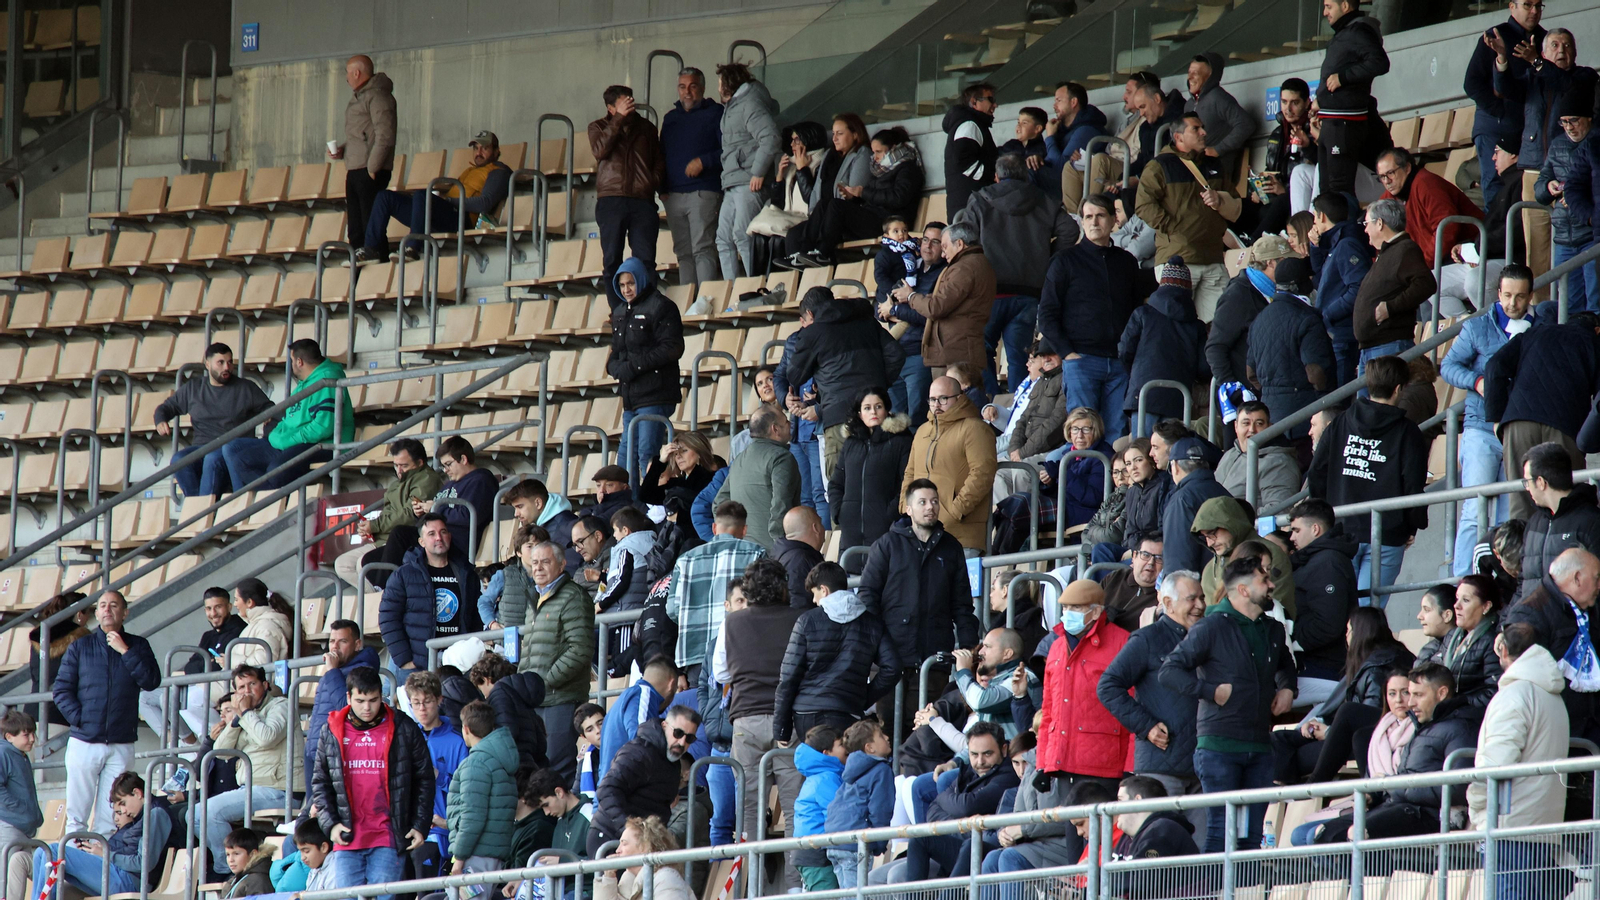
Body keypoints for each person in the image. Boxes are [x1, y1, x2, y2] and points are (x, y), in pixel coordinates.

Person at [1160, 557, 1296, 853]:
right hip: (1219, 748)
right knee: (1221, 834)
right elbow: (1169, 671)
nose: (1272, 585)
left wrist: (1288, 688)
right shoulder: (1210, 627)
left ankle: (1241, 883)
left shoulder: (1272, 629)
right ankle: (1214, 883)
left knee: (1250, 838)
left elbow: (1285, 663)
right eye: (1264, 580)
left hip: (1260, 746)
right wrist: (1209, 691)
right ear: (1244, 590)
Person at [857, 479, 981, 737]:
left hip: (934, 657)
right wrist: (876, 645)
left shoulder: (951, 548)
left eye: (934, 502)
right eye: (922, 502)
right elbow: (868, 597)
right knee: (889, 731)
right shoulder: (886, 545)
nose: (930, 507)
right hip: (891, 658)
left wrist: (969, 646)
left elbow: (962, 605)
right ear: (908, 508)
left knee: (925, 732)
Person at [1309, 664, 1480, 845]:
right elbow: (1406, 775)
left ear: (1442, 693)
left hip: (1433, 816)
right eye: (1410, 694)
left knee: (1354, 834)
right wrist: (1376, 794)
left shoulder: (1461, 728)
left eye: (1418, 695)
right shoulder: (1423, 726)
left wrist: (1398, 788)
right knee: (1324, 833)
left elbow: (1459, 789)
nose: (1410, 702)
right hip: (1401, 805)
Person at [953, 153, 1079, 393]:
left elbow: (965, 239)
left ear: (996, 176)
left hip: (987, 292)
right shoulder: (1043, 199)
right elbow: (1070, 230)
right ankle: (1017, 407)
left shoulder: (980, 200)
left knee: (980, 352)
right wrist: (1048, 260)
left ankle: (990, 405)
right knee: (1020, 358)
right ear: (1026, 175)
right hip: (1028, 293)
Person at [1308, 356, 1429, 600]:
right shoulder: (1408, 432)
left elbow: (1317, 473)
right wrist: (1412, 525)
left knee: (1339, 607)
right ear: (1399, 389)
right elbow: (1413, 485)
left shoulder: (1340, 423)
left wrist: (1325, 518)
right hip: (1387, 534)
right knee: (1367, 613)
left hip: (1341, 530)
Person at [1441, 265, 1535, 574]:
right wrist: (1478, 381)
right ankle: (1463, 582)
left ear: (1530, 296)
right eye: (1507, 295)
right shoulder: (1477, 327)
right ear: (1498, 293)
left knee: (1510, 514)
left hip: (1518, 429)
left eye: (1519, 297)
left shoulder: (1541, 327)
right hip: (1481, 428)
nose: (1512, 303)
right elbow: (1448, 366)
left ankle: (1502, 581)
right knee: (1475, 509)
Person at [1099, 571, 1208, 835]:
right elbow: (1108, 686)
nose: (1200, 605)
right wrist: (1145, 726)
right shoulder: (1147, 639)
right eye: (1192, 599)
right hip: (1161, 765)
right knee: (1161, 845)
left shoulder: (1211, 637)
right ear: (1168, 603)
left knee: (1206, 852)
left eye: (1202, 598)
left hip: (1206, 763)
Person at [1468, 621, 1572, 898]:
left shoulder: (1513, 696)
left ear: (1502, 650)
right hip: (1541, 825)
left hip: (1508, 825)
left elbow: (1494, 766)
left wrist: (1476, 805)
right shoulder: (1552, 696)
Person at [312, 666, 434, 900]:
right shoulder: (332, 730)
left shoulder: (403, 727)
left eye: (373, 700)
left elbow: (424, 779)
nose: (367, 708)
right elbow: (320, 782)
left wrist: (420, 825)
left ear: (381, 696)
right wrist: (331, 825)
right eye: (360, 701)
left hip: (388, 836)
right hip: (347, 837)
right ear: (348, 698)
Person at [1033, 579, 1130, 860]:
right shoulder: (1056, 647)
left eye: (1076, 608)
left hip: (1105, 766)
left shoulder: (1122, 643)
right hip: (1065, 765)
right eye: (1065, 608)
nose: (1068, 614)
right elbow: (1049, 710)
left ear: (1096, 611)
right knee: (1076, 851)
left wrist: (1131, 767)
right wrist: (1043, 764)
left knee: (1106, 849)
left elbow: (1133, 707)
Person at [53, 589, 158, 837]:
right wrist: (80, 720)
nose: (107, 610)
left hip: (121, 741)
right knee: (77, 816)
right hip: (84, 740)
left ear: (125, 613)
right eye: (102, 605)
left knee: (111, 818)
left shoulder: (138, 645)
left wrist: (126, 651)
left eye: (113, 605)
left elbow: (151, 681)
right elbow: (61, 690)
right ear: (97, 613)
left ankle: (101, 859)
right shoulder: (80, 646)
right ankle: (72, 858)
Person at [1272, 608, 1413, 785]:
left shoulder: (1376, 670)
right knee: (1278, 740)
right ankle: (1293, 794)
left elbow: (1366, 719)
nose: (1346, 636)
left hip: (1359, 741)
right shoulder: (1378, 660)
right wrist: (1320, 722)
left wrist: (1329, 731)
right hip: (1342, 734)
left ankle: (1306, 791)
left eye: (1348, 630)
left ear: (1359, 633)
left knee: (1289, 756)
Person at [1487, 315, 1600, 522]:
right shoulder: (1592, 342)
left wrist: (1497, 418)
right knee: (1568, 503)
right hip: (1565, 425)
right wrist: (1589, 440)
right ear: (1598, 330)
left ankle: (1520, 543)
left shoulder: (1534, 333)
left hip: (1518, 421)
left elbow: (1494, 365)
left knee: (1521, 503)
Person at [785, 286, 906, 478]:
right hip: (875, 413)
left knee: (842, 485)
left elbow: (794, 375)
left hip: (839, 419)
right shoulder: (867, 322)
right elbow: (896, 355)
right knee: (884, 481)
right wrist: (878, 389)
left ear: (810, 314)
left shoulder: (813, 333)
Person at [774, 562, 900, 744]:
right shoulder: (872, 623)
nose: (814, 600)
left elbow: (789, 676)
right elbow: (893, 668)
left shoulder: (807, 621)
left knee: (817, 761)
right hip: (848, 710)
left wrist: (781, 728)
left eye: (815, 594)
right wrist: (862, 698)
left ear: (824, 590)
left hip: (808, 712)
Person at [1135, 113, 1238, 322]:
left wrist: (1219, 200)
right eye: (1196, 129)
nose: (1204, 132)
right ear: (1178, 137)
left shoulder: (1214, 164)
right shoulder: (1159, 165)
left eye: (1203, 127)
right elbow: (1143, 205)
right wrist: (1174, 229)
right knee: (1177, 327)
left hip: (1213, 258)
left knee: (1219, 327)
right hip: (1178, 259)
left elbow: (1235, 201)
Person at [359, 129, 510, 262]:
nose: (478, 153)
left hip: (462, 220)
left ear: (496, 151)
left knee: (422, 195)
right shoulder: (470, 170)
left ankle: (412, 248)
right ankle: (372, 249)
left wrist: (449, 201)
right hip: (444, 214)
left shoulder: (498, 171)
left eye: (485, 148)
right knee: (385, 197)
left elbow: (485, 203)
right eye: (476, 148)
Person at [221, 339, 353, 490]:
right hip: (294, 441)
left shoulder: (327, 380)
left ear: (299, 362)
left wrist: (286, 440)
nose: (291, 365)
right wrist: (278, 435)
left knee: (275, 472)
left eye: (291, 360)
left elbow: (323, 427)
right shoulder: (304, 383)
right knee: (236, 454)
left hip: (324, 444)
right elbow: (289, 419)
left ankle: (266, 499)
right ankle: (246, 499)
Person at [512, 541, 594, 785]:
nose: (538, 568)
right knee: (537, 769)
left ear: (562, 564)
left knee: (558, 768)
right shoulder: (535, 598)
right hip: (535, 699)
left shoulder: (573, 597)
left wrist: (545, 682)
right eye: (534, 562)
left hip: (561, 699)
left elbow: (580, 650)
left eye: (545, 562)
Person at [155, 342, 274, 498]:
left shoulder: (246, 388)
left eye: (230, 362)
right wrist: (161, 420)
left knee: (212, 458)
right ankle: (197, 504)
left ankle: (203, 510)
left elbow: (271, 409)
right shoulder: (193, 388)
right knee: (179, 460)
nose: (226, 367)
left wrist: (267, 417)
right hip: (202, 447)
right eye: (220, 362)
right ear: (207, 364)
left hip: (231, 449)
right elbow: (166, 407)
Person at [903, 722, 1019, 881]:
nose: (980, 761)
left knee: (970, 846)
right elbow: (933, 809)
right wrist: (963, 825)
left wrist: (950, 808)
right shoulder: (969, 771)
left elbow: (968, 806)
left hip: (988, 852)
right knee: (919, 838)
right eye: (974, 754)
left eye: (987, 754)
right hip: (963, 844)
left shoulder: (1009, 775)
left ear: (1004, 750)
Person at [204, 664, 290, 877]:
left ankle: (230, 873)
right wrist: (236, 719)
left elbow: (267, 737)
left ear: (265, 685)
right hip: (253, 788)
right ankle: (231, 867)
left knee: (208, 811)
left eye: (252, 684)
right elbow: (221, 752)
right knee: (194, 815)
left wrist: (246, 712)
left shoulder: (281, 705)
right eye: (241, 687)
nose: (247, 691)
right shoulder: (243, 715)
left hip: (279, 789)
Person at [606, 257, 686, 478]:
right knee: (625, 460)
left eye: (630, 283)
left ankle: (651, 499)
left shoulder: (662, 306)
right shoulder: (620, 311)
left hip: (656, 394)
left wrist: (633, 367)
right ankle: (629, 501)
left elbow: (672, 347)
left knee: (646, 456)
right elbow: (616, 351)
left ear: (641, 280)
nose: (626, 290)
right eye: (622, 285)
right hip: (631, 398)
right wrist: (613, 367)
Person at [31, 772, 168, 898]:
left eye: (123, 803)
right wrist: (98, 851)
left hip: (132, 881)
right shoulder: (140, 816)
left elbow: (143, 863)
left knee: (55, 851)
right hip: (121, 874)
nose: (124, 811)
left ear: (137, 793)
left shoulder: (155, 814)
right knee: (41, 852)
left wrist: (106, 854)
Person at [1465, 1, 1547, 208]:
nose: (1534, 11)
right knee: (1495, 184)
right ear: (1512, 6)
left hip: (1529, 124)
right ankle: (1498, 228)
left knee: (1527, 183)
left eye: (1538, 6)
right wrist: (1501, 110)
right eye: (1527, 5)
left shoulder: (1545, 38)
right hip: (1494, 123)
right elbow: (1472, 83)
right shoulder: (1495, 36)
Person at [667, 501, 767, 670]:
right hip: (741, 648)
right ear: (744, 530)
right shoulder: (756, 553)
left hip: (696, 652)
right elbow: (764, 601)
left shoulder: (685, 560)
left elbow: (671, 609)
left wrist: (691, 618)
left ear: (714, 528)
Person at [589, 85, 665, 307]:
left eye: (630, 102)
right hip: (611, 199)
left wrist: (652, 182)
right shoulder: (598, 127)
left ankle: (647, 310)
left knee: (646, 260)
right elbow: (600, 150)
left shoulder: (646, 128)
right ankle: (619, 313)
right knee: (612, 259)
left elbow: (659, 160)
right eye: (623, 104)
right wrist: (618, 120)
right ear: (610, 108)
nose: (630, 107)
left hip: (642, 200)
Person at [334, 439, 445, 591]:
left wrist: (375, 525)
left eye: (404, 466)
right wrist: (371, 528)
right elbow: (389, 512)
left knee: (363, 565)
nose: (399, 470)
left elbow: (409, 515)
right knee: (342, 564)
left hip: (402, 541)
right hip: (383, 539)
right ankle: (379, 597)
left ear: (419, 463)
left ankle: (383, 597)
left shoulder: (427, 479)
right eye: (396, 465)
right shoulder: (397, 483)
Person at [901, 378, 998, 550]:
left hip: (961, 537)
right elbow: (910, 473)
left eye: (943, 398)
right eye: (932, 400)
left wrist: (956, 511)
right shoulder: (922, 431)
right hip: (920, 533)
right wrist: (905, 506)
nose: (937, 405)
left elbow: (982, 473)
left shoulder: (975, 428)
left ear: (959, 398)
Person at [891, 221, 994, 382]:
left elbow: (936, 307)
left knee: (949, 397)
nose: (944, 254)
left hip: (955, 355)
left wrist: (911, 297)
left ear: (959, 244)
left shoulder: (963, 268)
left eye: (944, 247)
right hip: (961, 350)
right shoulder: (977, 263)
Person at [588, 707, 699, 856]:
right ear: (664, 726)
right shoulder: (638, 752)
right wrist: (628, 830)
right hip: (610, 837)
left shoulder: (672, 763)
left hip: (638, 841)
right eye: (678, 733)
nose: (682, 742)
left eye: (689, 738)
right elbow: (606, 790)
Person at [139, 586, 244, 743]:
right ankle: (181, 743)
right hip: (199, 684)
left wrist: (194, 669)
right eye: (208, 608)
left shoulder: (238, 629)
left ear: (229, 607)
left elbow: (216, 666)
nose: (213, 613)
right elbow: (194, 662)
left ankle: (198, 743)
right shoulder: (208, 635)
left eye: (218, 607)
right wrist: (201, 666)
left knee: (171, 698)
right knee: (144, 697)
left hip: (220, 686)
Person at [380, 513, 483, 673]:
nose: (438, 538)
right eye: (431, 534)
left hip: (459, 664)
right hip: (418, 665)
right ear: (421, 541)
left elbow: (476, 615)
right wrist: (405, 660)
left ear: (449, 536)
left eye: (443, 532)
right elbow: (388, 618)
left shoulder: (466, 573)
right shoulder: (404, 575)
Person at [1246, 257, 1334, 440]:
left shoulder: (1259, 320)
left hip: (1269, 417)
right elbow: (1316, 372)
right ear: (1299, 284)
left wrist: (1273, 394)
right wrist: (1327, 400)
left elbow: (1250, 373)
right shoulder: (1307, 319)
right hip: (1303, 417)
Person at [1120, 256, 1207, 437]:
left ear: (1161, 285)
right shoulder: (1196, 325)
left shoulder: (1142, 314)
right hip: (1178, 397)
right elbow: (1203, 368)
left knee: (1142, 449)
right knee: (1170, 450)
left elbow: (1124, 351)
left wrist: (1136, 374)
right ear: (1188, 289)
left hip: (1143, 393)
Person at [1348, 199, 1435, 374]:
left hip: (1388, 347)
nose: (1365, 230)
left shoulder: (1405, 249)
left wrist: (1390, 307)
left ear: (1379, 223)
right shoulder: (1388, 252)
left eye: (1367, 223)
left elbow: (1426, 284)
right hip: (1373, 348)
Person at [1315, 0, 1391, 197]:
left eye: (1329, 6)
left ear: (1345, 6)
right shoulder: (1345, 32)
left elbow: (1380, 62)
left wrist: (1343, 78)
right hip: (1331, 122)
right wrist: (1320, 99)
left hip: (1344, 122)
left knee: (1338, 191)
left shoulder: (1359, 31)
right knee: (1326, 193)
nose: (1325, 13)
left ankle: (1344, 219)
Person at [1286, 499, 1359, 702]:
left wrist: (1292, 643)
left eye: (1296, 530)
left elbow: (1328, 623)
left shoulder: (1328, 563)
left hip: (1323, 665)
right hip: (1313, 662)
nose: (1291, 537)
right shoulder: (1315, 560)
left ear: (1315, 529)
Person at [1494, 27, 1596, 172]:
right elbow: (1506, 89)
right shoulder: (1532, 77)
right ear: (1543, 53)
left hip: (1568, 161)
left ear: (1575, 53)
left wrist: (1537, 62)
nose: (1561, 51)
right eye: (1555, 45)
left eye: (1567, 45)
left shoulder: (1585, 75)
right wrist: (1501, 57)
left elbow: (1568, 86)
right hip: (1532, 161)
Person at [779, 114, 872, 265]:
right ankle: (797, 263)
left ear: (855, 134)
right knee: (794, 234)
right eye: (833, 133)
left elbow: (854, 193)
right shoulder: (830, 155)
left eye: (840, 134)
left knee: (829, 205)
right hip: (825, 216)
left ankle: (818, 255)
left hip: (848, 217)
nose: (834, 138)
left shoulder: (862, 154)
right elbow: (815, 194)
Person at [829, 388, 913, 553]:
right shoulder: (850, 443)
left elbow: (907, 483)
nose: (873, 412)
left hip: (886, 529)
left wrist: (890, 515)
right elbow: (836, 483)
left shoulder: (902, 441)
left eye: (878, 406)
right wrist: (840, 512)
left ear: (887, 410)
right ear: (860, 414)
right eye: (867, 408)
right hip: (850, 530)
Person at [715, 63, 779, 279]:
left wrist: (758, 172)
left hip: (747, 180)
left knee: (743, 235)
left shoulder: (749, 104)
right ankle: (732, 290)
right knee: (723, 238)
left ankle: (755, 286)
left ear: (729, 83)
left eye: (720, 82)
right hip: (733, 180)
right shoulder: (734, 105)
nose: (718, 87)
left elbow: (770, 138)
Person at [1375, 148, 1483, 276]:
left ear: (1407, 168)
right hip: (1434, 262)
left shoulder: (1427, 184)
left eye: (1391, 173)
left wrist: (1421, 267)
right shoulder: (1391, 196)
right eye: (1382, 177)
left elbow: (1446, 229)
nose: (1387, 181)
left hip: (1466, 254)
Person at [659, 67, 722, 284]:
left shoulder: (716, 113)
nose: (687, 92)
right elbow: (661, 154)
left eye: (692, 86)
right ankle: (688, 300)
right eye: (682, 87)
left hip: (703, 191)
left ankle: (706, 298)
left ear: (702, 88)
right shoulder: (670, 119)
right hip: (673, 196)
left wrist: (704, 161)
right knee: (683, 252)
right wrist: (662, 188)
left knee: (703, 248)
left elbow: (729, 150)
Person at [443, 700, 518, 881]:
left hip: (474, 854)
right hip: (491, 853)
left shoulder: (476, 763)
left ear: (466, 729)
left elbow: (472, 816)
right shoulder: (497, 758)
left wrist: (459, 859)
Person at [1537, 90, 1597, 313]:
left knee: (1595, 304)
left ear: (1588, 118)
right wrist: (1548, 186)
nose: (1569, 127)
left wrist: (1577, 200)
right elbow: (1539, 187)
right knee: (1569, 309)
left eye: (1574, 120)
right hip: (1563, 238)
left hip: (1591, 235)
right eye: (1563, 122)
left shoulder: (1596, 143)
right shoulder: (1557, 145)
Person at [1516, 443, 1600, 600]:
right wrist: (1512, 616)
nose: (1527, 488)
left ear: (1541, 482)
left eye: (1527, 481)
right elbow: (1523, 584)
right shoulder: (1534, 523)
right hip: (1531, 615)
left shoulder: (1592, 523)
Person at [880, 221, 945, 422]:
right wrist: (887, 311)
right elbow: (880, 304)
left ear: (944, 246)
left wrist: (896, 310)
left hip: (920, 355)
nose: (928, 246)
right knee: (895, 420)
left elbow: (928, 314)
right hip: (896, 355)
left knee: (917, 418)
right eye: (925, 240)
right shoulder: (909, 265)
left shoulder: (944, 275)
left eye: (935, 242)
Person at [399, 670, 467, 858]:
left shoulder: (457, 740)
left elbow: (466, 790)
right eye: (416, 703)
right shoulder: (406, 738)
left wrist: (438, 776)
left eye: (427, 701)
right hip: (408, 829)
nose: (422, 708)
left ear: (439, 700)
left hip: (441, 832)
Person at [1191, 497, 1297, 616]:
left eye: (1212, 534)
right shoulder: (1210, 569)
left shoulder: (1270, 554)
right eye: (1205, 537)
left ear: (1231, 523)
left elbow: (1279, 608)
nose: (1209, 543)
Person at [1308, 192, 1373, 387]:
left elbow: (1359, 287)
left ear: (1321, 216)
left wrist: (1328, 314)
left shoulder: (1346, 244)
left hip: (1342, 334)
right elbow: (1320, 278)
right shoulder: (1335, 242)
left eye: (1314, 216)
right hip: (1337, 332)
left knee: (1339, 395)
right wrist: (1315, 247)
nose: (1314, 222)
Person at [713, 406, 799, 551]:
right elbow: (781, 503)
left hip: (742, 551)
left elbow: (719, 503)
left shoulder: (739, 459)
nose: (790, 424)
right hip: (772, 552)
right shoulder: (781, 457)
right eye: (786, 422)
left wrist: (731, 537)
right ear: (775, 429)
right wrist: (779, 544)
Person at [334, 54, 396, 249]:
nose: (346, 77)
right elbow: (364, 133)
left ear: (356, 73)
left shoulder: (378, 96)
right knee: (356, 229)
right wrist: (344, 150)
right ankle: (358, 264)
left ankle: (376, 261)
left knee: (371, 226)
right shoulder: (361, 96)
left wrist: (372, 168)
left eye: (347, 72)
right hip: (355, 168)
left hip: (369, 170)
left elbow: (385, 135)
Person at [823, 719, 894, 888]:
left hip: (834, 840)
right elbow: (881, 809)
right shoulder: (881, 770)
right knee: (856, 895)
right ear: (870, 748)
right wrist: (878, 842)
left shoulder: (851, 769)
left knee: (847, 894)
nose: (887, 737)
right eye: (880, 735)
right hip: (855, 844)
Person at [1109, 776, 1202, 897]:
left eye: (1120, 800)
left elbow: (1142, 880)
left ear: (1137, 801)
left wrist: (1097, 877)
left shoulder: (1162, 829)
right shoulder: (1127, 838)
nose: (1115, 808)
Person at [597, 655, 678, 782]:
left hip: (611, 787)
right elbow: (641, 744)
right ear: (671, 684)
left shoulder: (624, 699)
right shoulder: (643, 695)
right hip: (625, 788)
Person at [1161, 437, 1231, 577]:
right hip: (1227, 580)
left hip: (1200, 585)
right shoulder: (1223, 492)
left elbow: (1178, 562)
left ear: (1175, 467)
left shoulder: (1182, 500)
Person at [1215, 401, 1301, 513]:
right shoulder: (1231, 453)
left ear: (1269, 428)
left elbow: (1279, 510)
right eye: (1246, 423)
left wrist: (1234, 517)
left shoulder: (1278, 463)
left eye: (1259, 424)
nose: (1252, 429)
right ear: (1236, 427)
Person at [1183, 52, 1253, 176]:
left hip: (1216, 172)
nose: (1190, 77)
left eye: (1196, 73)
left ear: (1210, 76)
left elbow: (1246, 125)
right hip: (1195, 168)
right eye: (1189, 73)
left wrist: (1218, 149)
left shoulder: (1218, 98)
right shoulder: (1189, 104)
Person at [593, 816, 688, 900]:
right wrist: (609, 878)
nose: (617, 850)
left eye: (624, 843)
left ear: (644, 846)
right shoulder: (629, 878)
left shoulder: (666, 878)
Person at [944, 82, 999, 213]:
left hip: (968, 206)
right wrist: (992, 175)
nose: (995, 105)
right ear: (974, 102)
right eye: (990, 99)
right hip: (971, 208)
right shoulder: (969, 124)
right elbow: (963, 162)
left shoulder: (969, 122)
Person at [0, 711, 38, 900]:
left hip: (23, 828)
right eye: (26, 734)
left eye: (33, 733)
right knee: (5, 882)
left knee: (17, 879)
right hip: (9, 827)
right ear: (9, 736)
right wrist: (19, 808)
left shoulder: (20, 754)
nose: (33, 739)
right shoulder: (4, 753)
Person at [1101, 537, 1164, 632]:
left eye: (1159, 558)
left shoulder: (1163, 595)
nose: (1151, 562)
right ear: (1134, 557)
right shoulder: (1115, 577)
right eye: (1145, 555)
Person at [772, 506, 824, 609]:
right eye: (821, 523)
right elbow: (799, 606)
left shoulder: (781, 554)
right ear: (816, 528)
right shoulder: (800, 561)